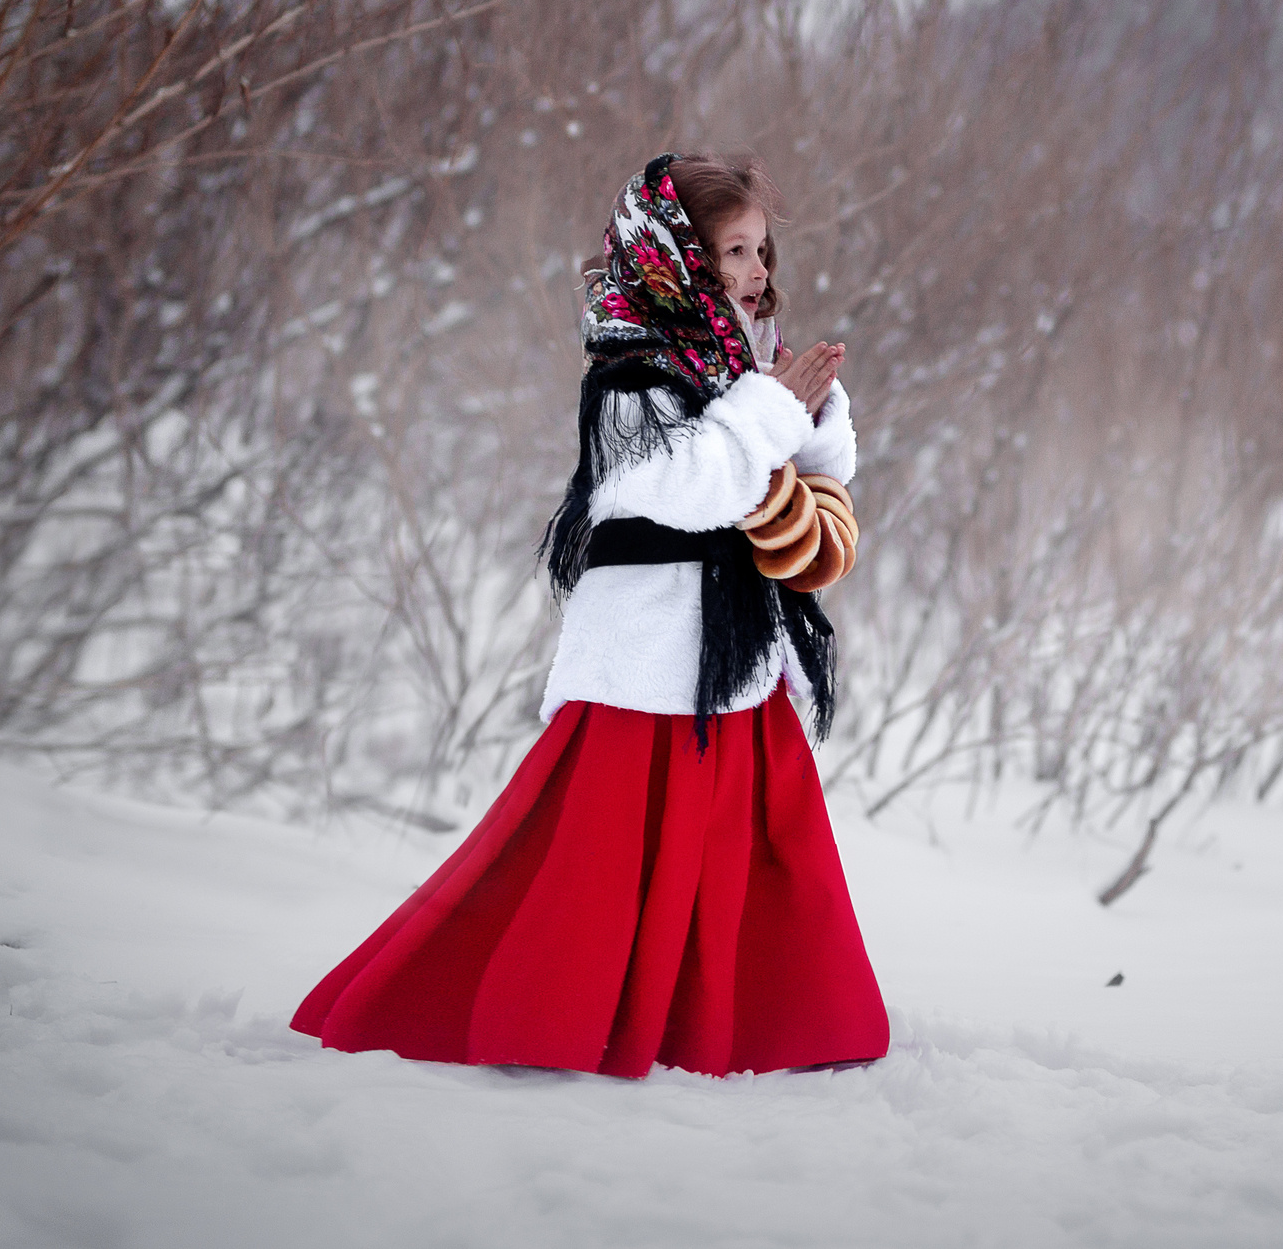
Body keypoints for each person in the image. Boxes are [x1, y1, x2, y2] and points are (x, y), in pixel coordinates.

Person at [291, 151, 889, 1078]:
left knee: (756, 849)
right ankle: (527, 1009)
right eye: (735, 250)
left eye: (762, 250)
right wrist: (773, 408)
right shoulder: (627, 370)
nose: (757, 272)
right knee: (604, 860)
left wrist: (810, 407)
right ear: (677, 251)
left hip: (735, 655)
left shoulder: (736, 353)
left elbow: (811, 473)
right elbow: (687, 487)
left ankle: (764, 1020)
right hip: (648, 662)